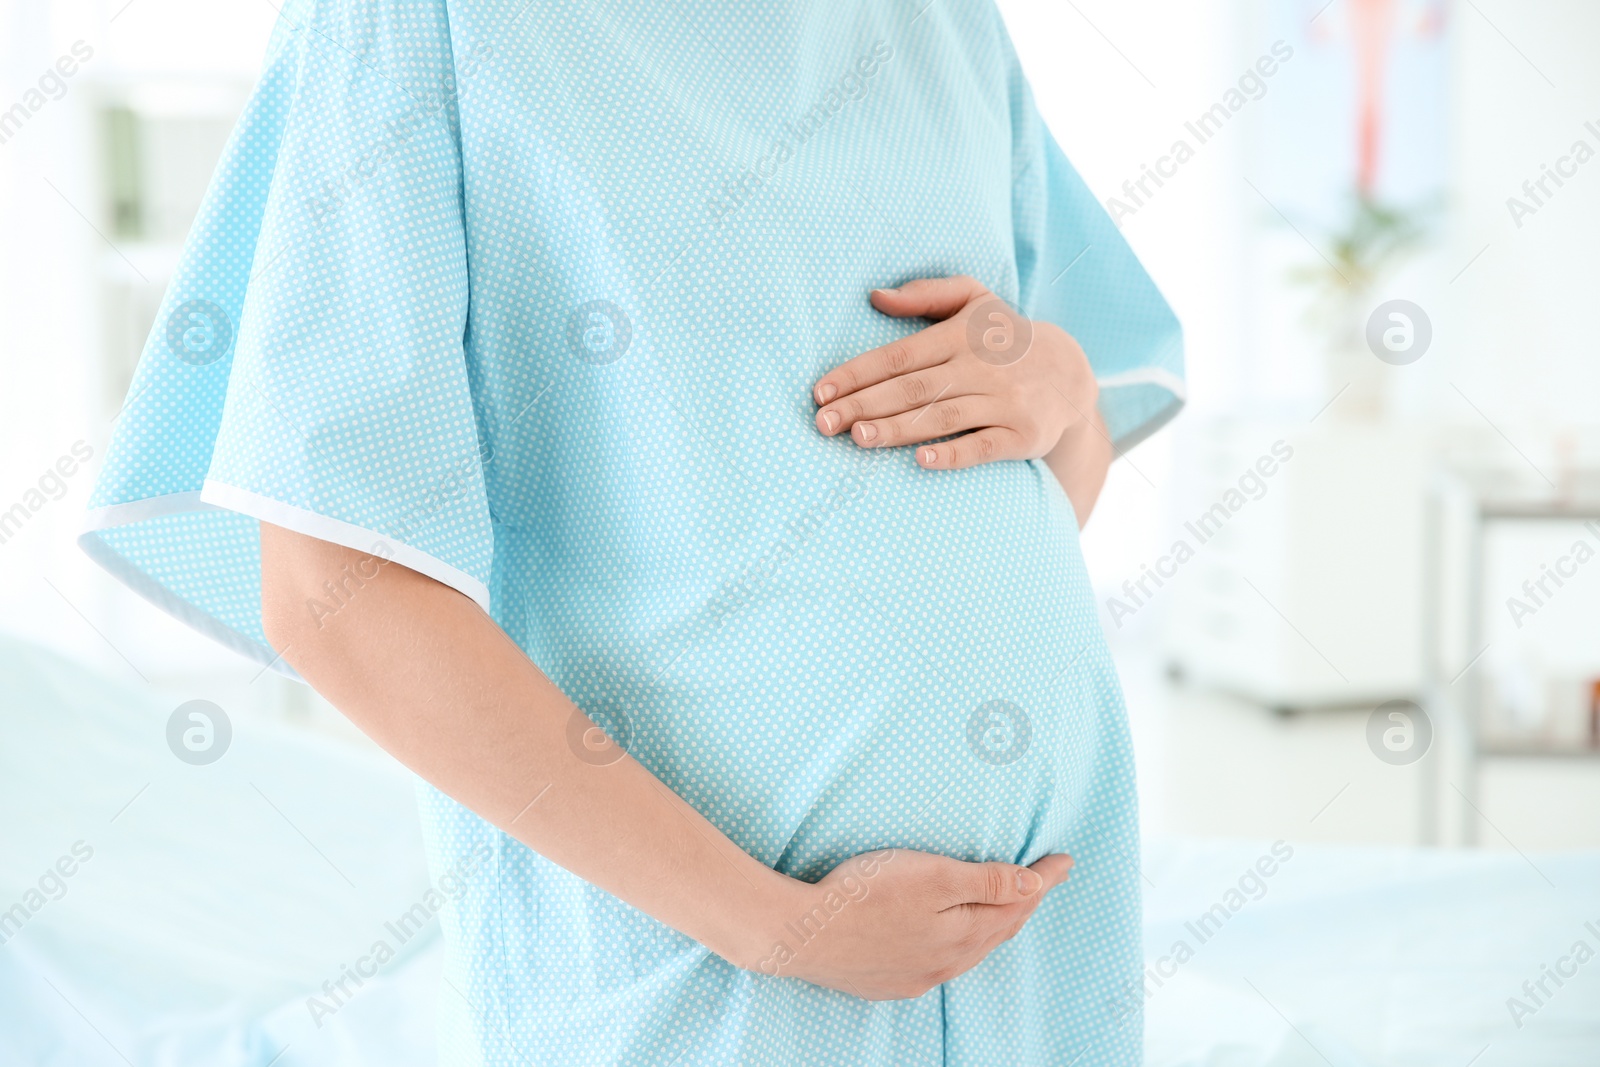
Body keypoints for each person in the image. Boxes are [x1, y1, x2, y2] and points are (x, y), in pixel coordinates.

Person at [80, 0, 1183, 1062]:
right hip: (700, 956)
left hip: (1037, 941)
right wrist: (772, 922)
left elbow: (1014, 502)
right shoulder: (417, 20)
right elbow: (338, 595)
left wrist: (1065, 387)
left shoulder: (946, 21)